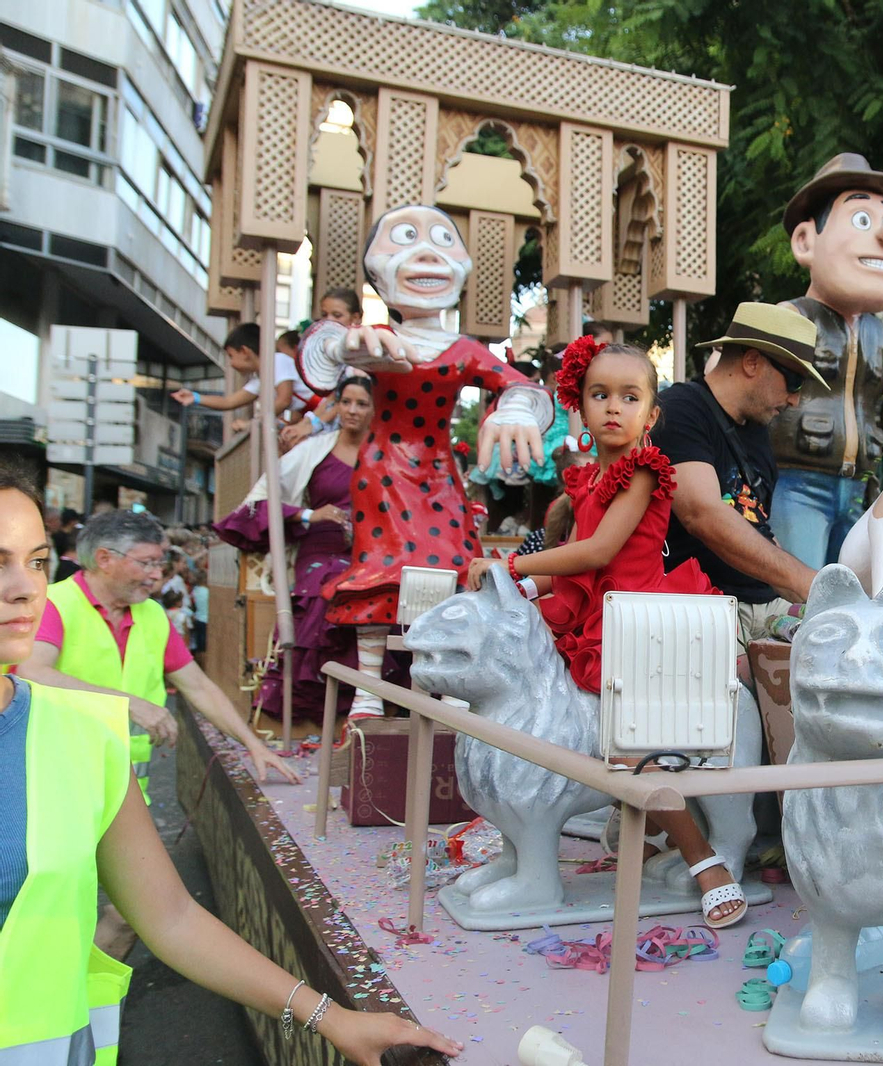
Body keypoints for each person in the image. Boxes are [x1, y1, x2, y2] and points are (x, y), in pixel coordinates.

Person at [0, 468, 463, 1065]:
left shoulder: (88, 731)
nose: (24, 587)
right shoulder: (71, 636)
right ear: (104, 559)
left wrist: (332, 1017)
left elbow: (171, 916)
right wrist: (133, 705)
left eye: (38, 561)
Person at [465, 338, 746, 929]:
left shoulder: (642, 470)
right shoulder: (587, 481)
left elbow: (599, 550)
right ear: (581, 406)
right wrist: (523, 587)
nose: (613, 408)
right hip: (599, 611)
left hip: (638, 622)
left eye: (629, 396)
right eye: (600, 395)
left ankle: (703, 859)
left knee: (636, 747)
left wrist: (514, 566)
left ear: (651, 414)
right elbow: (576, 562)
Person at [292, 204, 553, 717]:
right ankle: (368, 691)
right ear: (375, 268)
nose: (425, 251)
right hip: (383, 473)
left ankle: (443, 686)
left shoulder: (463, 349)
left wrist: (515, 407)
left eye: (441, 238)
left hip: (438, 476)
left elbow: (518, 384)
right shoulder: (374, 340)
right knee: (382, 568)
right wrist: (345, 345)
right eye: (404, 238)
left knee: (454, 570)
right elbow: (321, 363)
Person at [16, 509, 300, 784]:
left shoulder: (152, 614)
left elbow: (198, 686)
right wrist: (128, 704)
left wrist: (253, 744)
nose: (156, 575)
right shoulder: (53, 603)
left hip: (125, 793)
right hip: (54, 781)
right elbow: (33, 672)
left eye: (159, 564)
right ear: (104, 559)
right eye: (147, 563)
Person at [770, 154, 883, 568]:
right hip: (797, 484)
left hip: (860, 488)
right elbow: (730, 385)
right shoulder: (790, 318)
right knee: (800, 593)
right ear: (806, 241)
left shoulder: (877, 334)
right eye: (862, 220)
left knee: (854, 595)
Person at [653, 303, 823, 659]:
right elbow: (702, 514)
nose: (795, 399)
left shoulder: (757, 432)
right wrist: (803, 579)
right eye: (794, 381)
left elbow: (757, 530)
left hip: (759, 608)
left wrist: (830, 596)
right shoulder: (679, 411)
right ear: (751, 362)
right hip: (700, 612)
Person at [214, 377, 373, 719]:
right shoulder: (314, 448)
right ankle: (305, 703)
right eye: (346, 402)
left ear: (375, 410)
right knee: (328, 585)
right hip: (320, 548)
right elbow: (261, 501)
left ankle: (364, 705)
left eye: (362, 404)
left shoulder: (384, 454)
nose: (352, 411)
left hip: (371, 552)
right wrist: (308, 515)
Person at [279, 288, 368, 451]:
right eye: (324, 315)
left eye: (337, 315)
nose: (328, 320)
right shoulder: (334, 356)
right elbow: (333, 398)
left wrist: (310, 426)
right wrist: (305, 424)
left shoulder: (361, 355)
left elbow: (342, 400)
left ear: (355, 318)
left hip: (349, 439)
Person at [170, 324, 315, 423]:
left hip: (320, 405)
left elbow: (284, 399)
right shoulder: (260, 379)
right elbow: (229, 401)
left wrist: (256, 422)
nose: (231, 364)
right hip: (312, 412)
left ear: (245, 352)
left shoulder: (277, 361)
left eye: (231, 356)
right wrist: (195, 397)